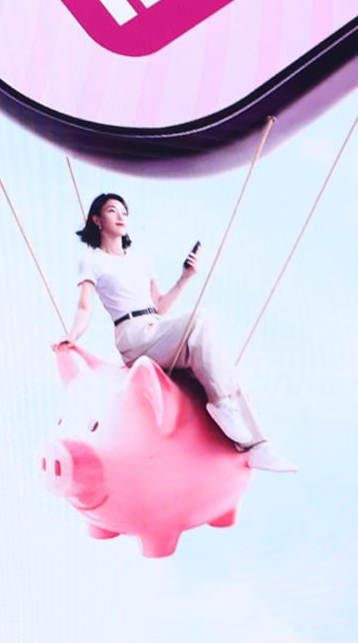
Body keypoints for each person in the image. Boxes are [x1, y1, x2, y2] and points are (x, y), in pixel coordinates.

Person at [58, 191, 293, 472]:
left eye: (124, 211)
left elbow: (159, 305)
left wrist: (184, 278)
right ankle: (222, 405)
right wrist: (72, 335)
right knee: (201, 320)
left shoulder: (140, 259)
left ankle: (257, 445)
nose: (120, 216)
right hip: (132, 335)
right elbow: (84, 306)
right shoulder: (92, 260)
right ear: (97, 219)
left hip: (156, 326)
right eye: (112, 210)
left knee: (219, 365)